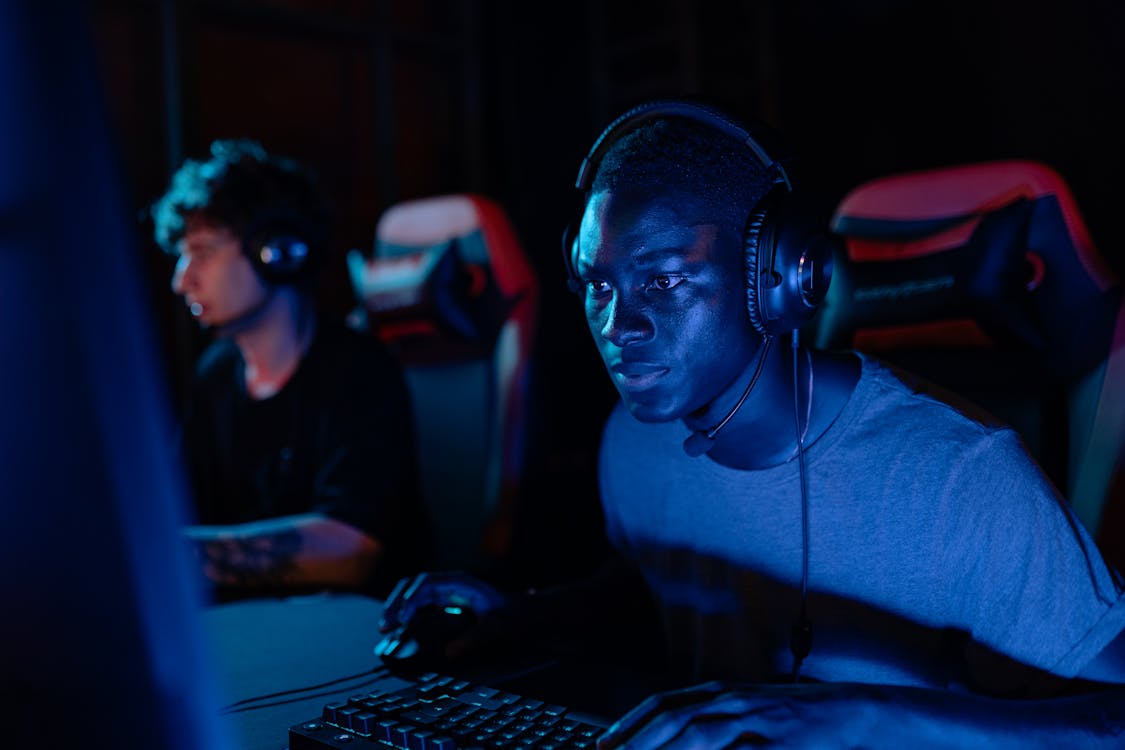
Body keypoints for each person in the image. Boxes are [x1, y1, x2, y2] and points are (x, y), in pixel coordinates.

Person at [376, 101, 1125, 745]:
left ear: (778, 277)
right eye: (596, 284)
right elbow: (659, 585)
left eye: (662, 281)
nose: (617, 324)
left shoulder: (961, 477)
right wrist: (524, 616)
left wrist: (874, 719)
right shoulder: (632, 439)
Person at [152, 138, 430, 601]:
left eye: (202, 252)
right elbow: (182, 507)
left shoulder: (358, 370)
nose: (182, 279)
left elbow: (352, 550)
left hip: (354, 628)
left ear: (277, 251)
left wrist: (173, 555)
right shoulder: (215, 375)